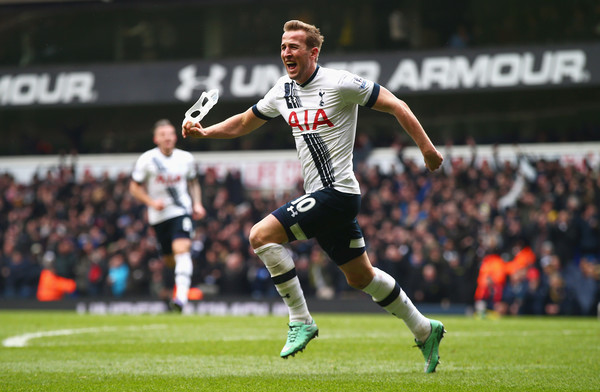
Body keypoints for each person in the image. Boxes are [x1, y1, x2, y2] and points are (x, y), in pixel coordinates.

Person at [182, 20, 445, 372]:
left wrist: (427, 150)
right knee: (360, 277)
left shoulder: (340, 83)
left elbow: (396, 104)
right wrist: (205, 132)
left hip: (338, 192)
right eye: (283, 47)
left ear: (313, 52)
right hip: (322, 197)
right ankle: (425, 329)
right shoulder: (282, 90)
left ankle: (301, 320)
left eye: (293, 47)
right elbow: (246, 121)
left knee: (261, 235)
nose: (286, 53)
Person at [130, 119, 206, 312]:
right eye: (163, 135)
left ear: (175, 136)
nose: (168, 138)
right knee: (169, 259)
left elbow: (193, 182)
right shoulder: (147, 160)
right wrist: (152, 203)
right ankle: (176, 289)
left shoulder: (186, 158)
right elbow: (134, 187)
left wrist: (197, 203)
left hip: (181, 210)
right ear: (156, 139)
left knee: (182, 249)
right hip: (158, 216)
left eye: (171, 134)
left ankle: (180, 299)